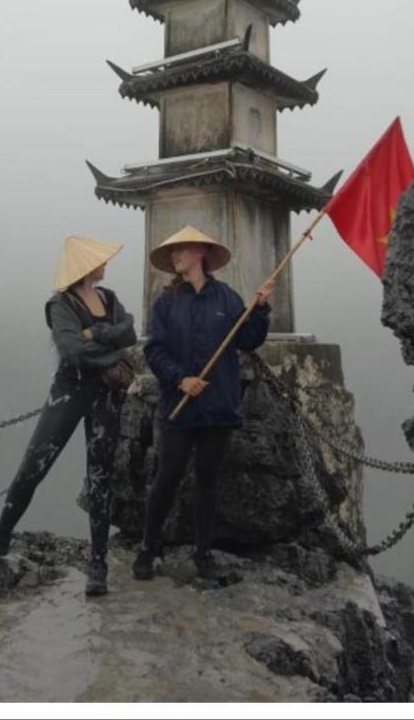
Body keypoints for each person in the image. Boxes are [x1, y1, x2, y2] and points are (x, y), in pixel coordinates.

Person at [0, 236, 137, 596]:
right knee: (34, 466)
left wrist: (100, 334)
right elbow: (73, 351)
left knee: (101, 475)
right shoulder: (60, 305)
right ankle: (0, 535)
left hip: (106, 395)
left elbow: (130, 331)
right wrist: (114, 355)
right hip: (70, 391)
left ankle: (99, 562)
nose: (105, 263)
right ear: (85, 267)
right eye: (99, 260)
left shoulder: (109, 298)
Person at [133, 225, 274, 581]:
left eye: (181, 250)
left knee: (208, 479)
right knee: (168, 475)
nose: (175, 257)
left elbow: (247, 340)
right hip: (178, 406)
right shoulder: (166, 303)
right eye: (173, 252)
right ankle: (148, 548)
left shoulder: (227, 298)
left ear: (200, 253)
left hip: (218, 407)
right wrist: (180, 379)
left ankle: (203, 552)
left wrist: (259, 310)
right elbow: (155, 349)